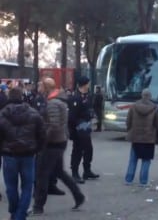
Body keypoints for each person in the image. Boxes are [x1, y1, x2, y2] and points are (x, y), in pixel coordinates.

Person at [31, 77, 85, 215]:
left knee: (41, 174)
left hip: (51, 143)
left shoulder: (53, 103)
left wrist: (43, 140)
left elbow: (53, 125)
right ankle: (78, 195)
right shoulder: (56, 101)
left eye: (40, 86)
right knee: (59, 172)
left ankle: (38, 206)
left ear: (46, 87)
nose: (38, 89)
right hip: (59, 141)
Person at [0, 87, 46, 220]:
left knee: (11, 187)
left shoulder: (2, 114)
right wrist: (37, 149)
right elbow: (42, 134)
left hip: (9, 155)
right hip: (28, 155)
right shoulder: (34, 113)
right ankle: (20, 215)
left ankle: (15, 213)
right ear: (22, 97)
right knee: (27, 186)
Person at [32, 81, 65, 196]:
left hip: (50, 137)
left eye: (40, 86)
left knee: (54, 167)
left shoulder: (51, 100)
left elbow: (53, 122)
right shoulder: (38, 99)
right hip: (45, 135)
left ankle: (51, 185)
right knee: (42, 166)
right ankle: (38, 190)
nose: (38, 88)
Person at [125, 89, 158, 186]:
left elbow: (128, 121)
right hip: (149, 138)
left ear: (141, 95)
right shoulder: (154, 108)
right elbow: (157, 124)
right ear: (150, 96)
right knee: (146, 160)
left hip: (135, 137)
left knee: (133, 159)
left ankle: (128, 179)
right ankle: (143, 181)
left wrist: (129, 130)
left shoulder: (134, 106)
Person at [68, 76, 100, 184]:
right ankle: (75, 173)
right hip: (78, 130)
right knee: (77, 151)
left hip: (86, 129)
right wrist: (73, 130)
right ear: (84, 84)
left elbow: (90, 109)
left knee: (88, 150)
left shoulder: (88, 96)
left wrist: (93, 118)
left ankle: (87, 171)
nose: (89, 85)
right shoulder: (75, 98)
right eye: (88, 83)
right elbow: (72, 117)